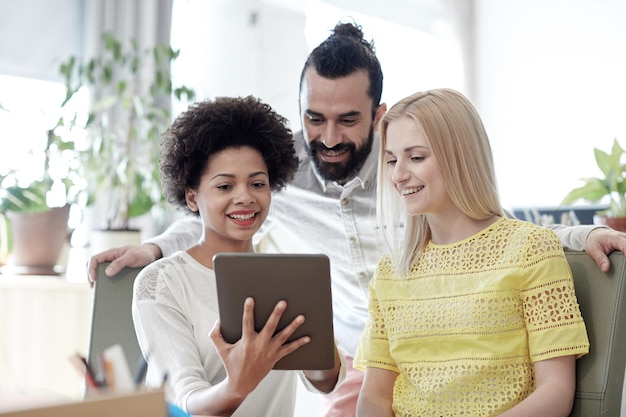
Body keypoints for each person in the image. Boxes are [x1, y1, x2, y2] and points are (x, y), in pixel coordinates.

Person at [89, 21, 626, 417]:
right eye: (314, 118)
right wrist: (154, 248)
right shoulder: (278, 170)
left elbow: (491, 226)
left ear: (378, 114)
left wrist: (586, 232)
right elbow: (221, 208)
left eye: (348, 120)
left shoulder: (414, 178)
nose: (328, 137)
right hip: (364, 353)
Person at [354, 88, 589, 417]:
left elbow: (556, 391)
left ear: (459, 156)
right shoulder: (391, 272)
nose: (397, 175)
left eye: (416, 157)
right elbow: (375, 396)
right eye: (392, 159)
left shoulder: (531, 249)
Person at [131, 95, 344, 416]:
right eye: (224, 187)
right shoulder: (161, 283)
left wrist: (319, 338)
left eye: (257, 183)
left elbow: (325, 382)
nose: (245, 197)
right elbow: (189, 403)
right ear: (192, 197)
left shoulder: (287, 275)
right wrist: (237, 384)